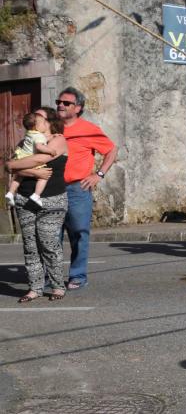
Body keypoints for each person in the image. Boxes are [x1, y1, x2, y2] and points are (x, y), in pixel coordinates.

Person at [56, 87, 117, 290]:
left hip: (77, 189)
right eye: (59, 102)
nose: (60, 105)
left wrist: (98, 175)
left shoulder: (88, 128)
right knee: (51, 236)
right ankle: (51, 277)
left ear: (78, 108)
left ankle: (77, 276)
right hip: (52, 189)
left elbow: (111, 149)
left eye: (66, 103)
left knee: (79, 233)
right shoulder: (52, 128)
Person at [5, 107, 68, 302]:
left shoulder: (58, 139)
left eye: (39, 117)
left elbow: (42, 158)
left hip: (52, 199)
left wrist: (18, 165)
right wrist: (34, 173)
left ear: (49, 122)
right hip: (24, 200)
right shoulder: (26, 141)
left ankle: (58, 286)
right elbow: (9, 166)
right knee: (30, 246)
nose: (34, 119)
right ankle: (35, 288)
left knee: (48, 243)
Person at [5, 112, 57, 207]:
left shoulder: (29, 133)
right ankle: (36, 195)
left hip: (21, 157)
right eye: (43, 123)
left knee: (18, 177)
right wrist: (50, 150)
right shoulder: (39, 136)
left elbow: (39, 139)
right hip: (30, 158)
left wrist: (52, 136)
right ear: (36, 127)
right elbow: (39, 146)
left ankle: (10, 192)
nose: (45, 124)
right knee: (43, 177)